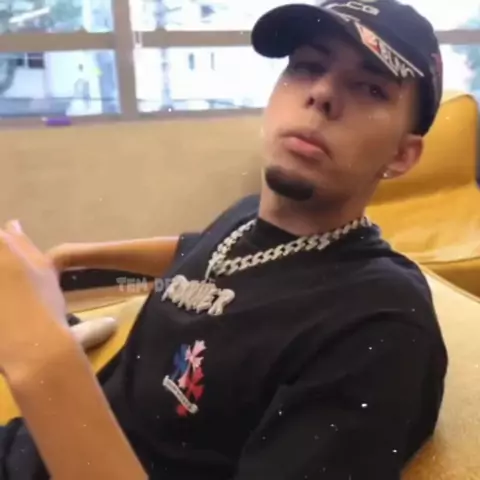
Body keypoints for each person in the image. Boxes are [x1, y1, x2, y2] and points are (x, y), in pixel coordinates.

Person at [0, 0, 448, 478]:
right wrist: (73, 256)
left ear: (402, 155)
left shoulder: (378, 325)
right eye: (306, 66)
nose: (321, 93)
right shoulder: (247, 222)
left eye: (370, 88)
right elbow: (193, 250)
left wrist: (40, 360)